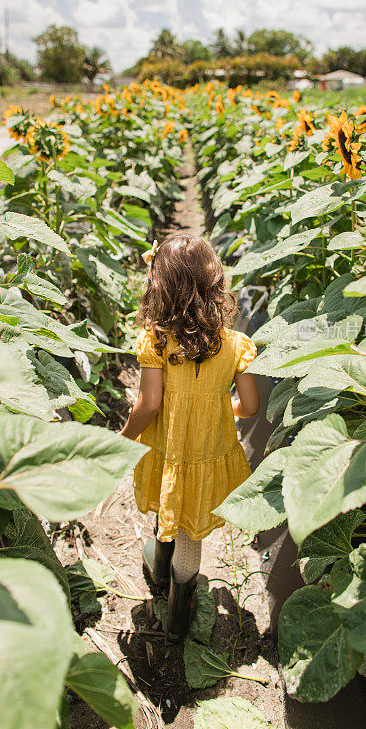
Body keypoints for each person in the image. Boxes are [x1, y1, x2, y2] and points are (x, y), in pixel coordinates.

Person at [120, 234, 260, 642]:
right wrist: (221, 411)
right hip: (209, 450)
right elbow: (249, 407)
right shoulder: (234, 345)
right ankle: (179, 614)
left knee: (171, 495)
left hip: (169, 446)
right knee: (191, 528)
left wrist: (125, 437)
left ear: (161, 286)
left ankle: (160, 573)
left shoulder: (158, 340)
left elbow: (149, 404)